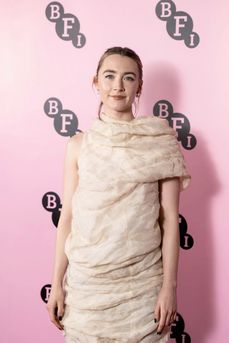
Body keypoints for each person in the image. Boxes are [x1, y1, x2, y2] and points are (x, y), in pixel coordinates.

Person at [46, 46, 191, 342]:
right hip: (87, 288)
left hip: (142, 287)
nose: (118, 86)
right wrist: (57, 283)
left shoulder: (160, 144)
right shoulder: (78, 145)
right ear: (96, 82)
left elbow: (170, 222)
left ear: (139, 87)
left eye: (129, 78)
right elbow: (68, 217)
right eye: (109, 76)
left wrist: (169, 288)